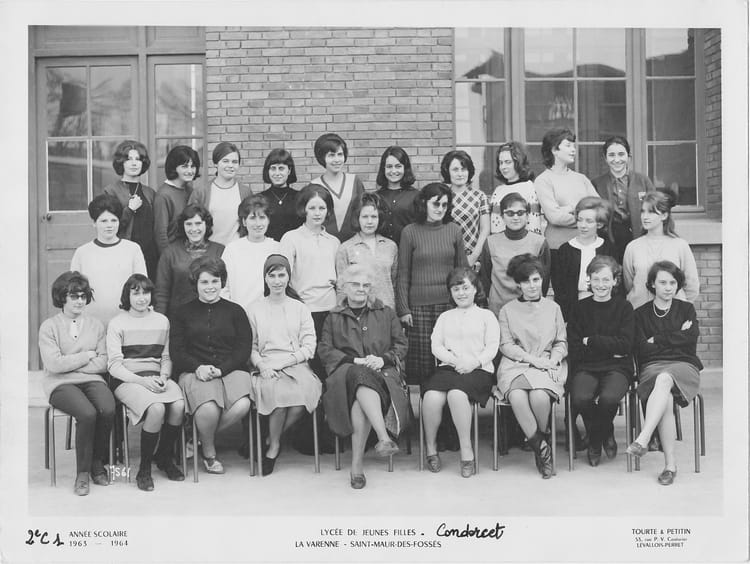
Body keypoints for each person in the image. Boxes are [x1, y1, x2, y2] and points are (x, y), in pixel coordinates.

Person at [319, 264, 408, 489]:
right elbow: (325, 350)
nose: (361, 289)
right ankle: (383, 437)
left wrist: (383, 359)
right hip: (345, 375)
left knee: (361, 398)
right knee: (360, 374)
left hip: (381, 374)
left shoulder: (386, 312)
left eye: (366, 285)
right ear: (344, 287)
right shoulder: (333, 317)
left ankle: (356, 466)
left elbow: (401, 345)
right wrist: (355, 361)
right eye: (356, 284)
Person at [170, 256, 253, 474]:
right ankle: (209, 452)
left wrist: (222, 369)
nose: (210, 287)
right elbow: (177, 351)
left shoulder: (236, 311)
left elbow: (243, 348)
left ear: (222, 282)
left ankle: (195, 436)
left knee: (242, 404)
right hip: (195, 371)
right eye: (204, 282)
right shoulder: (181, 312)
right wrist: (198, 367)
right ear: (195, 283)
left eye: (215, 281)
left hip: (231, 369)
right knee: (208, 408)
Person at [106, 274, 185, 490]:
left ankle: (164, 457)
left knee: (178, 405)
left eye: (146, 292)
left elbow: (166, 357)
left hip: (156, 376)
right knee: (156, 408)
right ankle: (144, 469)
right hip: (127, 380)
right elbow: (114, 366)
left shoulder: (162, 321)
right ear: (127, 296)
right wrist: (142, 382)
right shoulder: (117, 323)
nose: (142, 298)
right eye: (136, 293)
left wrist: (164, 377)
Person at [38, 271, 114, 496]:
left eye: (83, 296)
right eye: (74, 296)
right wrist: (86, 356)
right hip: (59, 384)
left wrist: (70, 364)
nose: (80, 301)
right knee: (87, 414)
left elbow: (103, 362)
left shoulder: (96, 325)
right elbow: (54, 365)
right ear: (62, 297)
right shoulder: (49, 327)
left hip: (91, 379)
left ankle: (97, 463)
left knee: (108, 408)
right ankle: (82, 473)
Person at [627, 261, 703, 486]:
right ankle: (670, 466)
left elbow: (690, 340)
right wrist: (676, 336)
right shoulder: (640, 314)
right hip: (652, 367)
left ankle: (644, 437)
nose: (669, 287)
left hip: (684, 366)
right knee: (665, 395)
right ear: (652, 284)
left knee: (664, 378)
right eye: (663, 282)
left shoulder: (686, 309)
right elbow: (641, 348)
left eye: (673, 282)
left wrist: (658, 339)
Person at [247, 255, 322, 476]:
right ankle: (273, 448)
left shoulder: (300, 308)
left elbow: (309, 345)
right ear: (265, 278)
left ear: (289, 277)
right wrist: (262, 365)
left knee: (301, 400)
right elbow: (250, 346)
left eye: (282, 275)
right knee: (278, 399)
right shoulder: (254, 309)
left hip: (295, 363)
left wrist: (287, 361)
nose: (277, 281)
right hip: (266, 366)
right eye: (272, 276)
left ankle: (272, 438)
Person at [422, 267, 500, 478]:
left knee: (456, 395)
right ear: (450, 292)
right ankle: (431, 449)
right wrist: (454, 361)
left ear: (475, 289)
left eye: (465, 288)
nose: (461, 293)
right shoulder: (445, 317)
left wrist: (474, 362)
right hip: (450, 367)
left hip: (479, 370)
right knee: (431, 397)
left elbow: (492, 347)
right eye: (456, 289)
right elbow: (436, 346)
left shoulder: (487, 316)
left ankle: (467, 451)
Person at [497, 254, 567, 479]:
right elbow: (506, 345)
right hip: (516, 363)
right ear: (518, 284)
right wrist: (531, 360)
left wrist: (553, 360)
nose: (532, 285)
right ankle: (542, 448)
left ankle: (540, 437)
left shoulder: (553, 308)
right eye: (526, 281)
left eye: (536, 280)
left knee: (539, 396)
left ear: (542, 280)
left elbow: (561, 342)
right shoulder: (507, 310)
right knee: (517, 396)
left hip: (547, 362)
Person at [396, 182, 468, 386]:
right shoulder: (410, 232)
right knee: (424, 364)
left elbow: (463, 270)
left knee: (450, 359)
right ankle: (426, 404)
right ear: (423, 203)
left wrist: (466, 305)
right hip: (418, 309)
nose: (440, 209)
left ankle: (449, 403)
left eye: (445, 205)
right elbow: (403, 273)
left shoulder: (454, 230)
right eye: (436, 204)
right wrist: (403, 308)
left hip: (450, 306)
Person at [567, 256, 634, 467]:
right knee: (580, 398)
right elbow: (575, 347)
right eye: (596, 279)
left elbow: (626, 346)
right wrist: (609, 348)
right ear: (589, 280)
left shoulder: (624, 308)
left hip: (618, 367)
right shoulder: (579, 308)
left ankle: (595, 441)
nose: (601, 285)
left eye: (606, 279)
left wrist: (592, 341)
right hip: (586, 366)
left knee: (608, 399)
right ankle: (606, 431)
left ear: (615, 280)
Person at [70, 194, 147, 325]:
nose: (109, 225)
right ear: (94, 223)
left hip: (126, 322)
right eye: (104, 221)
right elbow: (73, 291)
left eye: (114, 220)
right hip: (90, 323)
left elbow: (142, 287)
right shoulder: (82, 252)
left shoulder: (133, 249)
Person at [279, 184, 340, 345]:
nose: (317, 213)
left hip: (330, 310)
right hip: (303, 309)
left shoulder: (334, 242)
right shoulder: (291, 239)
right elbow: (283, 277)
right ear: (303, 209)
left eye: (322, 208)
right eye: (312, 208)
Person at [623, 188, 700, 309]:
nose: (645, 217)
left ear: (664, 215)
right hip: (639, 313)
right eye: (643, 212)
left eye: (651, 212)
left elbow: (691, 285)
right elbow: (629, 284)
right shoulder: (633, 247)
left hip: (672, 315)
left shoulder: (680, 246)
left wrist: (680, 311)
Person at [479, 192, 550, 318]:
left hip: (530, 310)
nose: (515, 217)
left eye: (520, 213)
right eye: (510, 213)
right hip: (499, 310)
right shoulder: (490, 242)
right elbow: (485, 278)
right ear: (502, 216)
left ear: (527, 215)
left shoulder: (539, 242)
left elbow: (544, 280)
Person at [550, 196, 616, 321]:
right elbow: (560, 288)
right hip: (573, 309)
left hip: (603, 308)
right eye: (580, 220)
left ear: (599, 224)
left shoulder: (607, 248)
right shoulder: (565, 250)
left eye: (589, 221)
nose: (583, 225)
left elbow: (615, 283)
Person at [154, 204, 225, 320]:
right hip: (179, 319)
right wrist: (160, 321)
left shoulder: (220, 251)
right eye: (189, 224)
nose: (194, 229)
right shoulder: (170, 253)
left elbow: (226, 289)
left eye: (198, 223)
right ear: (183, 226)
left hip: (213, 318)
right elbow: (161, 292)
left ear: (206, 225)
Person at [534, 128, 599, 253]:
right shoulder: (543, 180)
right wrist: (586, 216)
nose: (573, 150)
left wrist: (568, 208)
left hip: (588, 246)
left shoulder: (581, 178)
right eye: (568, 146)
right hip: (558, 248)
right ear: (554, 150)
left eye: (574, 146)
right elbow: (555, 217)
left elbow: (600, 209)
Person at [592, 136, 655, 262]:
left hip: (639, 238)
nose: (617, 159)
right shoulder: (597, 184)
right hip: (608, 241)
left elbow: (656, 210)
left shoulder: (643, 181)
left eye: (621, 154)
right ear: (605, 158)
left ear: (629, 157)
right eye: (611, 155)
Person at [103, 140, 159, 278]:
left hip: (149, 255)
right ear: (121, 162)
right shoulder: (111, 191)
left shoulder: (150, 193)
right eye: (129, 159)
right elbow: (109, 227)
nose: (134, 163)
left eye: (138, 159)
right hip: (123, 254)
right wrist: (130, 209)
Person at [335, 192, 398, 310]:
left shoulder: (391, 246)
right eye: (365, 217)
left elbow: (394, 283)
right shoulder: (346, 248)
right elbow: (341, 288)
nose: (369, 221)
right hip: (359, 312)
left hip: (387, 310)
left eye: (374, 217)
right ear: (357, 218)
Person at [221, 195, 280, 315]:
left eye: (262, 218)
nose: (258, 224)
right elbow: (223, 286)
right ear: (244, 221)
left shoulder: (277, 248)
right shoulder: (232, 249)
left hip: (270, 315)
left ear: (268, 220)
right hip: (239, 315)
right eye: (252, 218)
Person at [189, 142, 252, 247]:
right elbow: (190, 223)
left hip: (236, 250)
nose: (230, 165)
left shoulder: (245, 192)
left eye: (234, 162)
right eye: (225, 161)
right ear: (215, 163)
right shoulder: (201, 192)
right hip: (209, 251)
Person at [310, 133, 366, 242]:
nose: (337, 160)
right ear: (322, 157)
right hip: (324, 244)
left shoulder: (355, 181)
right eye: (331, 155)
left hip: (354, 244)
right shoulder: (314, 186)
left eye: (340, 154)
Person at [440, 150, 490, 267]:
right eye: (455, 170)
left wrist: (474, 256)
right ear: (447, 171)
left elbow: (485, 229)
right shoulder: (442, 197)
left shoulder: (479, 196)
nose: (460, 174)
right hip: (446, 257)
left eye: (463, 169)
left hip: (473, 258)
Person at [489, 141, 545, 236]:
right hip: (498, 243)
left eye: (508, 162)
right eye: (501, 163)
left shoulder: (529, 188)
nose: (503, 167)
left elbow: (534, 226)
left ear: (519, 162)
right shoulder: (498, 191)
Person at [153, 145, 201, 255]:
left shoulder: (190, 190)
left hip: (189, 253)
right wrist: (169, 260)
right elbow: (161, 235)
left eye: (193, 166)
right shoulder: (164, 195)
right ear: (174, 167)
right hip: (173, 256)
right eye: (184, 166)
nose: (190, 171)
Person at [375, 146, 419, 244]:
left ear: (405, 168)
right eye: (389, 166)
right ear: (383, 168)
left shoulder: (416, 196)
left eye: (398, 166)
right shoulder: (376, 197)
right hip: (382, 250)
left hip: (409, 249)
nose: (393, 171)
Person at [258, 148, 303, 242]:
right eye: (273, 168)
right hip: (268, 248)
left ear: (289, 170)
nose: (277, 173)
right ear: (268, 171)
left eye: (281, 168)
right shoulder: (259, 199)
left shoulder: (300, 197)